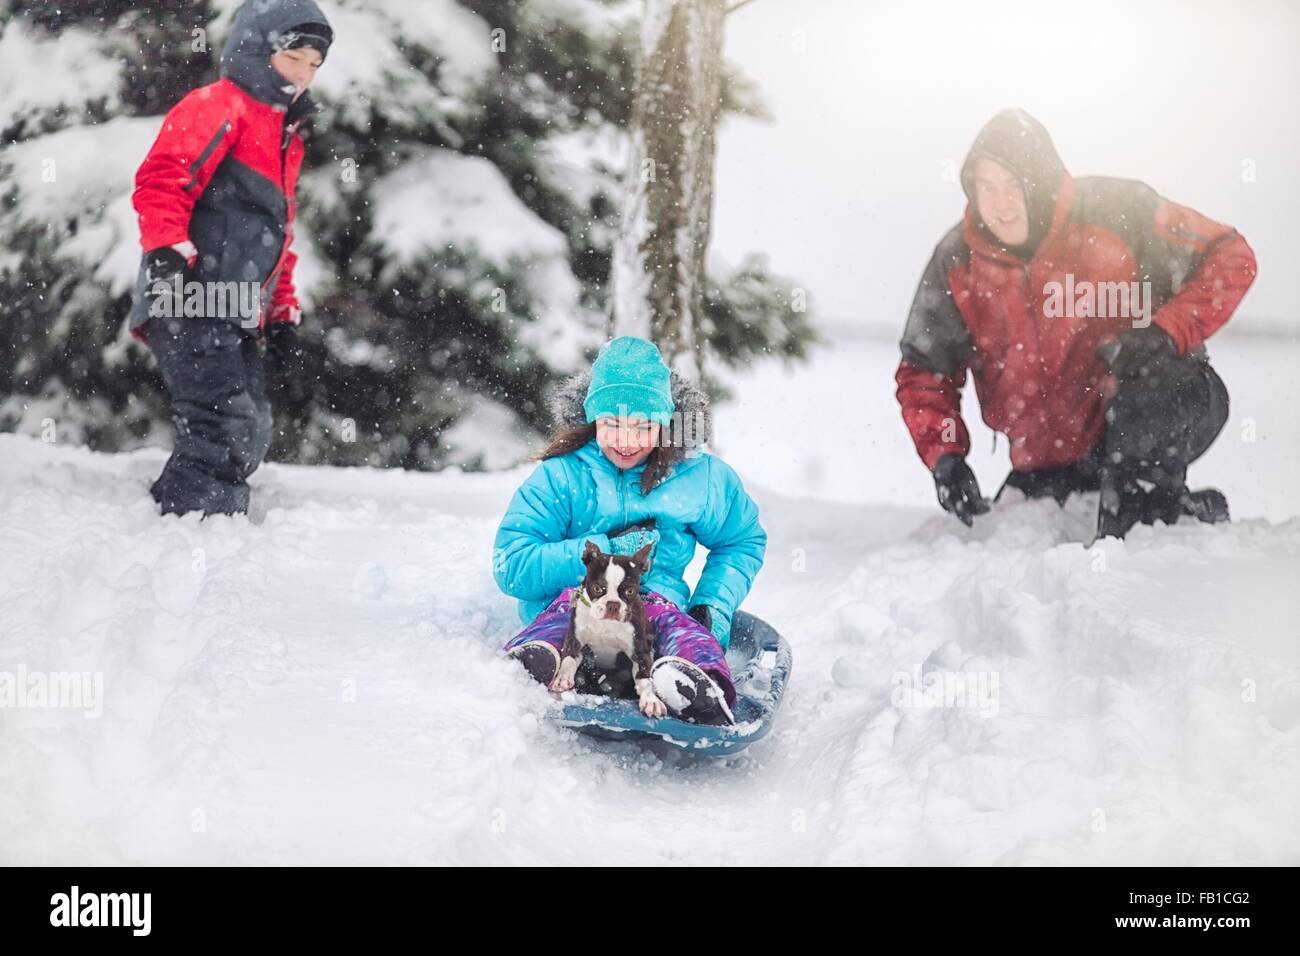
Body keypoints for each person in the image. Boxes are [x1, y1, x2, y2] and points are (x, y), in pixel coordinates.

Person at [896, 109, 1256, 539]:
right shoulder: (958, 261)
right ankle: (1172, 508)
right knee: (1016, 535)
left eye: (1013, 185)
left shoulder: (1121, 213)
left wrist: (1166, 331)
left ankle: (1152, 523)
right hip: (1049, 461)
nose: (999, 203)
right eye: (986, 187)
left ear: (1041, 183)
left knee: (1134, 520)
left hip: (1157, 411)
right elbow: (924, 370)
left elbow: (1230, 255)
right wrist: (945, 456)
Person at [493, 337, 767, 725]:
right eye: (612, 424)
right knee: (565, 615)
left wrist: (713, 606)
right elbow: (511, 564)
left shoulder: (698, 477)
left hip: (655, 606)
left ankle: (697, 683)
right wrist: (599, 559)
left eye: (641, 426)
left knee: (680, 630)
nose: (625, 440)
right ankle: (538, 659)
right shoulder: (563, 476)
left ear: (664, 423)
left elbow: (742, 540)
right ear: (592, 420)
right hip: (577, 608)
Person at [129, 0, 332, 516]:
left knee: (254, 423)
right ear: (257, 48)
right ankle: (192, 520)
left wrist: (282, 309)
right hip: (190, 293)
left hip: (236, 305)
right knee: (221, 420)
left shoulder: (284, 133)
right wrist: (166, 251)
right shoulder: (219, 104)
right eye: (294, 58)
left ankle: (199, 511)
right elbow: (162, 179)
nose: (304, 74)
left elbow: (275, 235)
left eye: (315, 64)